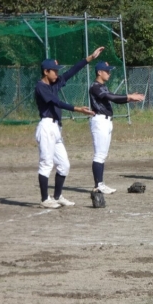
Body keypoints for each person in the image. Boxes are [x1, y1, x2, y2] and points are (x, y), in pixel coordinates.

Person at [35, 47, 104, 208]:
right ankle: (45, 199)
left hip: (56, 129)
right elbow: (56, 102)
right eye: (54, 71)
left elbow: (71, 72)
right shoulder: (41, 87)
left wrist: (90, 58)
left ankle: (57, 196)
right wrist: (77, 109)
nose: (57, 73)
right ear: (46, 72)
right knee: (46, 164)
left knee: (64, 165)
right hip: (46, 127)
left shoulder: (54, 83)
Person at [88, 62, 145, 193]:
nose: (109, 73)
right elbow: (111, 97)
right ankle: (98, 185)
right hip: (100, 121)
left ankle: (100, 184)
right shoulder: (95, 86)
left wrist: (129, 99)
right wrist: (129, 96)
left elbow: (114, 98)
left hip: (106, 121)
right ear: (99, 72)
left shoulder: (102, 86)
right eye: (107, 71)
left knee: (103, 154)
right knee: (99, 155)